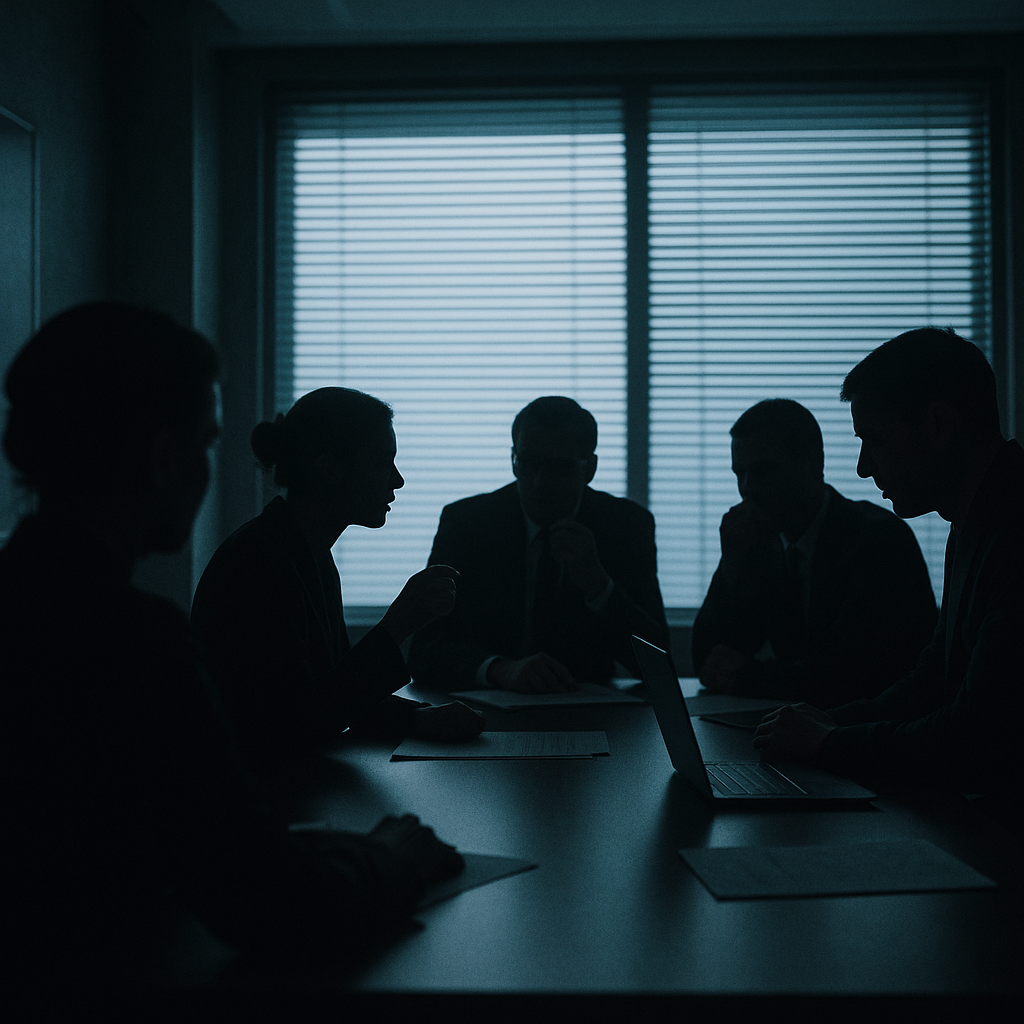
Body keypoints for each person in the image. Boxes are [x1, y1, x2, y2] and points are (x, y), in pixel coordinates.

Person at [1, 303, 463, 984]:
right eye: (207, 444)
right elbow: (269, 902)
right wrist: (391, 857)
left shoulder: (31, 604)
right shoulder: (132, 644)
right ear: (164, 458)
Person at [752, 328, 1024, 821]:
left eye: (873, 439)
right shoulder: (975, 519)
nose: (860, 468)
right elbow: (933, 678)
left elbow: (975, 737)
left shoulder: (1014, 528)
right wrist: (824, 725)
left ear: (938, 424)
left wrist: (830, 743)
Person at [191, 388, 483, 787]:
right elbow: (298, 725)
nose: (397, 480)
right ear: (329, 469)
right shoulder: (260, 565)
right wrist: (398, 624)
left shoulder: (304, 553)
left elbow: (328, 691)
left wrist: (414, 718)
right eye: (383, 463)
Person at [408, 396, 670, 694]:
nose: (539, 483)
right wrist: (498, 668)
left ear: (590, 469)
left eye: (558, 468)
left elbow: (659, 662)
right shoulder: (468, 523)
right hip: (484, 716)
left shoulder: (625, 525)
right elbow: (424, 650)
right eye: (528, 464)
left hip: (591, 714)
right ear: (513, 459)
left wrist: (600, 587)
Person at [691, 399, 936, 707]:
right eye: (740, 474)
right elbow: (707, 659)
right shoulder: (761, 544)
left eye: (763, 470)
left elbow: (841, 676)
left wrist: (745, 676)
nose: (748, 488)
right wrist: (731, 564)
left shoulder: (878, 541)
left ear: (813, 463)